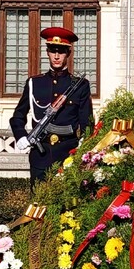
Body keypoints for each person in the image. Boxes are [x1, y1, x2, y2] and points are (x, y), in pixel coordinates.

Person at [10, 27, 93, 184]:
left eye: (61, 52)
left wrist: (83, 148)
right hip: (40, 157)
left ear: (68, 53)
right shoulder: (34, 83)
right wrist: (20, 135)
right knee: (38, 198)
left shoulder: (80, 85)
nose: (56, 56)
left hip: (68, 156)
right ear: (47, 52)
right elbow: (18, 116)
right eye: (53, 51)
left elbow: (87, 123)